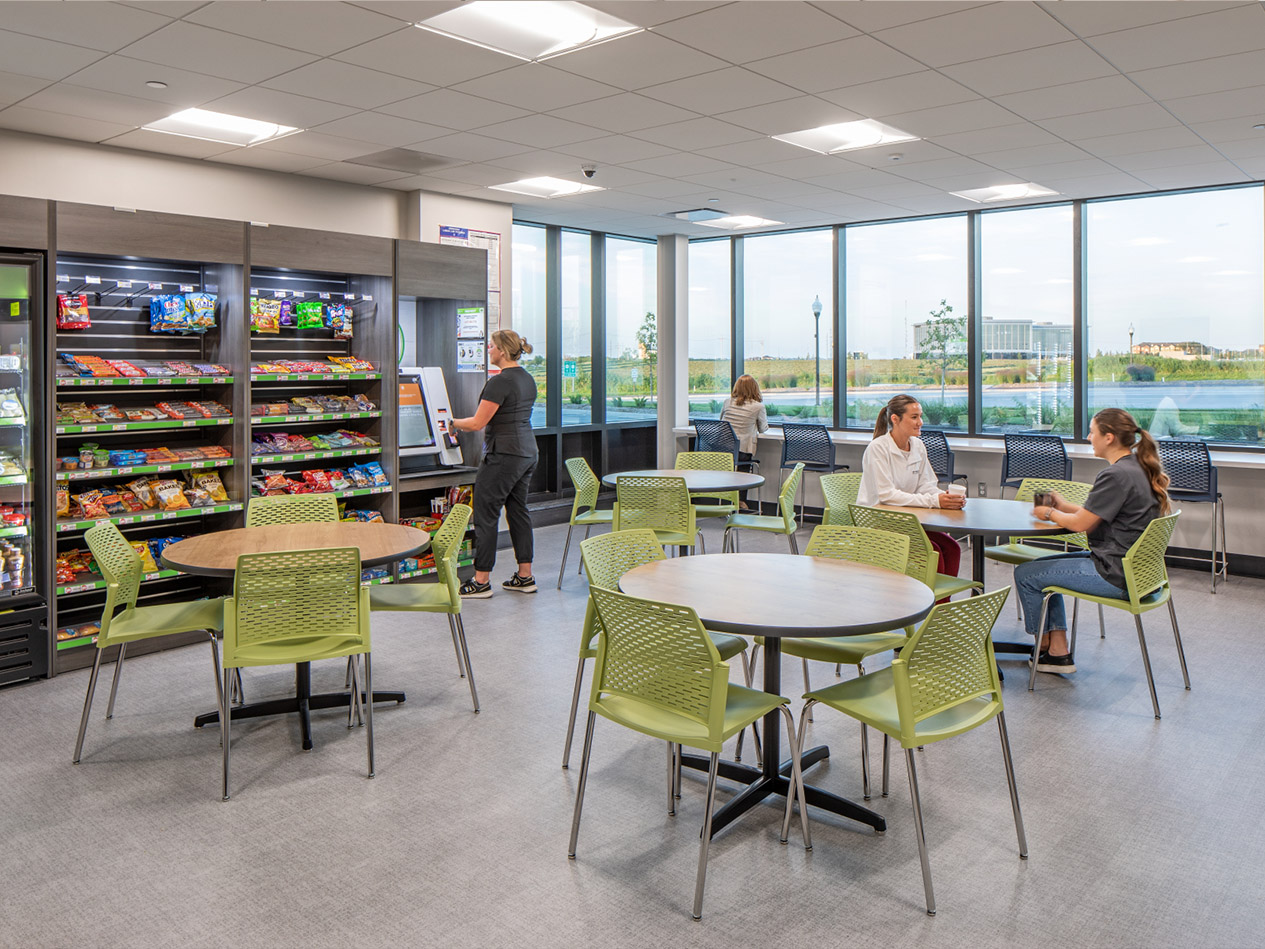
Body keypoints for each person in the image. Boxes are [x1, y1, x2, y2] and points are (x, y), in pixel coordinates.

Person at [1014, 408, 1170, 674]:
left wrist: (1048, 513)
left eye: (1092, 432)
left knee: (1027, 575)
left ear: (1109, 437)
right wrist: (1064, 506)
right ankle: (1056, 651)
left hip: (1114, 575)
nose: (1088, 437)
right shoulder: (1137, 468)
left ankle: (1045, 646)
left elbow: (1080, 525)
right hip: (1138, 574)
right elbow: (1095, 515)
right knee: (1043, 569)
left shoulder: (1115, 475)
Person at [450, 329, 538, 598]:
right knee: (518, 511)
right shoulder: (527, 378)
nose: (488, 349)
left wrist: (451, 423)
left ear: (502, 350)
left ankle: (481, 581)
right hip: (527, 452)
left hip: (503, 456)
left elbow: (477, 423)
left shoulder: (500, 382)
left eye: (491, 346)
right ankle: (525, 576)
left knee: (486, 514)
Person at [857, 394, 965, 584]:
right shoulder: (878, 448)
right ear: (895, 419)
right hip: (879, 522)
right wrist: (934, 501)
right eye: (914, 417)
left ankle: (942, 602)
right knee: (932, 552)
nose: (920, 422)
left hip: (906, 520)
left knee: (952, 548)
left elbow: (926, 485)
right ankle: (929, 600)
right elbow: (886, 495)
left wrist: (944, 497)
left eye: (920, 416)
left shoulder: (918, 445)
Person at [720, 375, 768, 509]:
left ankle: (726, 501)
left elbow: (722, 422)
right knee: (743, 468)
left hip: (723, 449)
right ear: (755, 388)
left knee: (732, 468)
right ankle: (740, 501)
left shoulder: (727, 402)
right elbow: (763, 429)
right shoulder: (758, 407)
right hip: (742, 451)